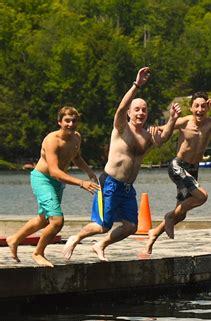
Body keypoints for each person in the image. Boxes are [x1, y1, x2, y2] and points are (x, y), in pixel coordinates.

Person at [63, 67, 181, 262]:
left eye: (144, 110)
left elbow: (164, 138)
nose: (141, 113)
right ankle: (76, 238)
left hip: (127, 188)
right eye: (137, 109)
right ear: (129, 113)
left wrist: (172, 119)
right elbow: (119, 109)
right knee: (103, 225)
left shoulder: (147, 135)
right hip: (110, 183)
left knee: (131, 226)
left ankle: (100, 245)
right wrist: (136, 85)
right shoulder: (121, 128)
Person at [7, 106, 100, 267]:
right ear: (59, 122)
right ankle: (38, 253)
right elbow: (55, 171)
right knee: (57, 221)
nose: (71, 124)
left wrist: (89, 172)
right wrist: (82, 183)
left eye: (74, 121)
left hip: (57, 182)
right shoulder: (52, 140)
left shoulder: (77, 137)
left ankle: (14, 239)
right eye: (67, 121)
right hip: (42, 179)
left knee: (44, 220)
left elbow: (76, 157)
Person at [144, 91, 211, 254]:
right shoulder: (185, 121)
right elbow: (163, 131)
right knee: (202, 196)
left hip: (193, 170)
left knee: (182, 215)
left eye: (203, 106)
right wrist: (156, 129)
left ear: (207, 108)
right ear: (191, 108)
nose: (200, 109)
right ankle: (169, 216)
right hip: (178, 166)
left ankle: (154, 233)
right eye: (196, 106)